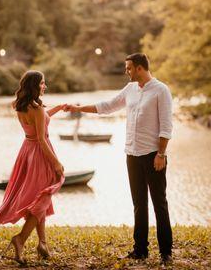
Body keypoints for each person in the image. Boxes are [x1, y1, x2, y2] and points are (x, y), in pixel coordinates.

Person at [64, 53, 173, 266]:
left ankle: (166, 252)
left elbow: (166, 126)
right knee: (138, 204)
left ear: (140, 68)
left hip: (153, 155)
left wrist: (161, 154)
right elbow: (107, 106)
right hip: (132, 154)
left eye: (129, 68)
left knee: (159, 203)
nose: (126, 71)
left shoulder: (161, 90)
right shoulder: (130, 89)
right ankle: (140, 250)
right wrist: (79, 109)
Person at [0, 70, 65, 264]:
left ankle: (43, 243)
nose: (45, 86)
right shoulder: (37, 109)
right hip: (41, 153)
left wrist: (57, 108)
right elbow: (41, 138)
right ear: (34, 85)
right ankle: (21, 239)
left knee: (39, 197)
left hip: (27, 152)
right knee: (42, 198)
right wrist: (56, 163)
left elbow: (38, 123)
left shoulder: (21, 106)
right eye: (42, 83)